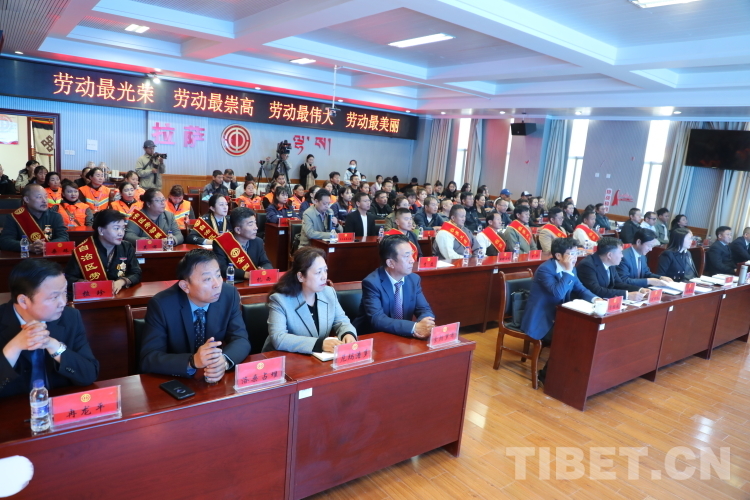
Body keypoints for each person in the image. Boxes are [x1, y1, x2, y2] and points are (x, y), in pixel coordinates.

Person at [140, 249, 251, 379]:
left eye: (218, 275)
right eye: (207, 279)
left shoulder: (229, 294)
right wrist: (192, 361)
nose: (217, 284)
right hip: (177, 379)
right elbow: (149, 358)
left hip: (213, 379)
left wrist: (223, 361)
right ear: (185, 286)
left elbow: (241, 339)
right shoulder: (162, 305)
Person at [0, 259, 99, 397]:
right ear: (23, 301)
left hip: (58, 404)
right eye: (54, 297)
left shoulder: (70, 317)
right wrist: (14, 347)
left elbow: (89, 375)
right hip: (13, 408)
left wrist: (54, 345)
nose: (63, 302)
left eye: (64, 293)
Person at [520, 237, 600, 383]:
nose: (575, 258)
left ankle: (572, 373)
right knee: (568, 338)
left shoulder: (571, 268)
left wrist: (596, 299)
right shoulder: (545, 270)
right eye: (571, 254)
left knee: (583, 333)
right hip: (542, 319)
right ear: (558, 255)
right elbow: (558, 293)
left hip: (559, 316)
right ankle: (545, 376)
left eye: (576, 253)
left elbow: (581, 289)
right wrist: (568, 271)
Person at [262, 247, 356, 353]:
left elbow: (341, 321)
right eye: (318, 272)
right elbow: (278, 338)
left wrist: (348, 333)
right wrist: (319, 344)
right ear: (301, 276)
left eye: (325, 270)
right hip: (282, 357)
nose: (324, 277)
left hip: (316, 358)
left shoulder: (329, 292)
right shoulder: (280, 300)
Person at [353, 235, 435, 338]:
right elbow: (378, 319)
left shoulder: (413, 279)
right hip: (375, 337)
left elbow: (424, 309)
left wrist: (425, 324)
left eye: (412, 254)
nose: (412, 260)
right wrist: (414, 327)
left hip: (402, 336)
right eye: (406, 256)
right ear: (390, 263)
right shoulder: (372, 283)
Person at [64, 209, 141, 294]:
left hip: (119, 294)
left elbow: (136, 273)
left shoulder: (126, 247)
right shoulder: (83, 251)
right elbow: (68, 278)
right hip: (93, 296)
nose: (121, 233)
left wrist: (121, 282)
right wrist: (83, 283)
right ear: (101, 230)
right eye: (116, 228)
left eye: (123, 228)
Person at [0, 184, 68, 253]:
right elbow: (5, 241)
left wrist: (47, 245)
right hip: (25, 257)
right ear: (27, 199)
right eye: (39, 197)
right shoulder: (14, 217)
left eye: (46, 196)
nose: (44, 200)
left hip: (49, 257)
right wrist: (28, 247)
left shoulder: (55, 216)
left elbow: (64, 237)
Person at [577, 237, 648, 299]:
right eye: (620, 252)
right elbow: (596, 290)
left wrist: (640, 289)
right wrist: (626, 295)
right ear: (609, 255)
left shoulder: (611, 263)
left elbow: (618, 284)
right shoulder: (587, 265)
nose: (622, 256)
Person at [213, 207, 272, 280]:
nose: (256, 227)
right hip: (234, 282)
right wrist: (245, 274)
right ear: (238, 230)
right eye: (250, 224)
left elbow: (266, 262)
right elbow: (222, 269)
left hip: (255, 282)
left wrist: (264, 270)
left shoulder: (258, 242)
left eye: (255, 223)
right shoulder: (221, 243)